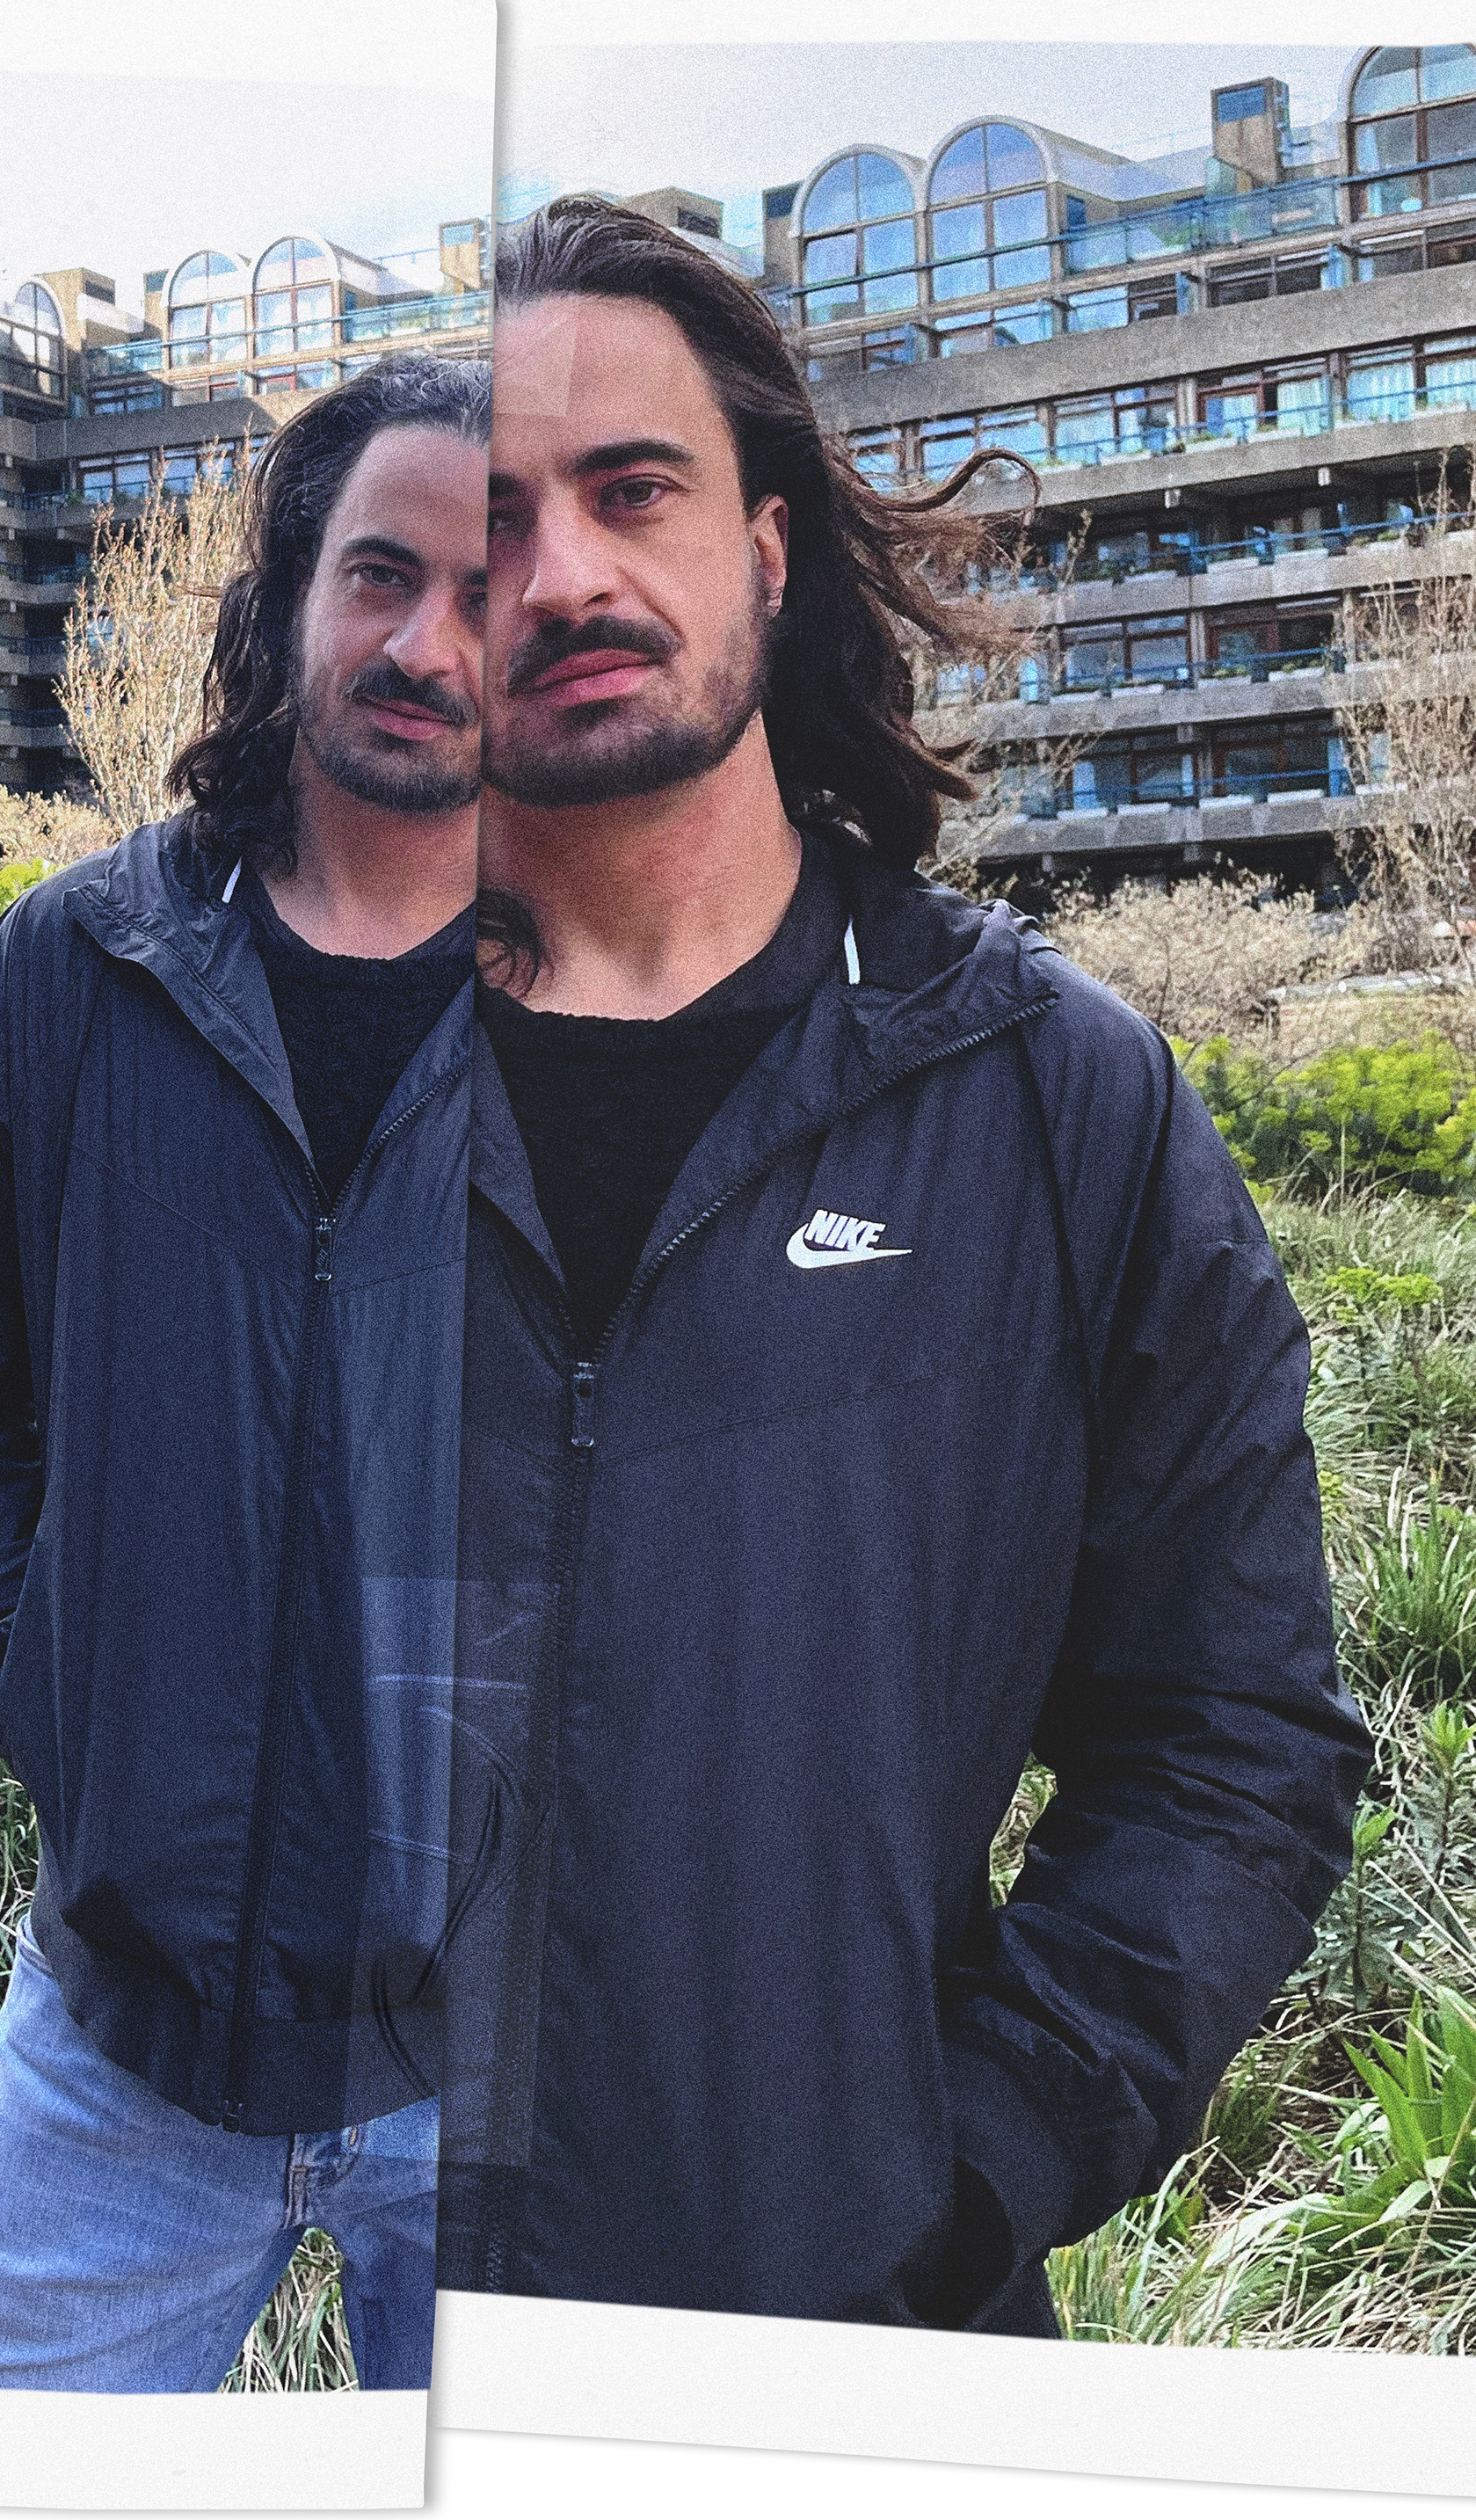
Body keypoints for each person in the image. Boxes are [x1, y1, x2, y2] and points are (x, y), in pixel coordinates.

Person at [436, 202, 1371, 2336]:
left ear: (763, 546)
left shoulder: (1050, 1097)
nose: (563, 571)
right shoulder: (315, 1082)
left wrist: (971, 2165)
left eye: (631, 488)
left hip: (851, 2320)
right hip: (344, 2322)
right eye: (490, 522)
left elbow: (1229, 1728)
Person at [0, 354, 490, 2391]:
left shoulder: (637, 1021)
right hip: (119, 2034)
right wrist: (49, 1689)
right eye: (380, 571)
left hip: (521, 2076)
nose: (421, 639)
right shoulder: (74, 966)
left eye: (486, 591)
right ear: (291, 592)